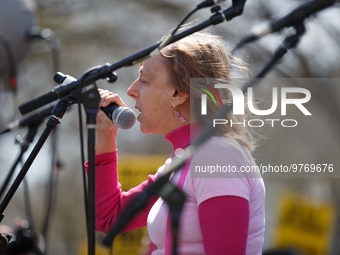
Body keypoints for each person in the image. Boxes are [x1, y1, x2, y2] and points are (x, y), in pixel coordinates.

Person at [86, 31, 265, 255]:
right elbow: (108, 217)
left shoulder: (218, 156)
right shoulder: (182, 163)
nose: (131, 91)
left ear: (178, 93)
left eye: (144, 79)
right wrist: (105, 136)